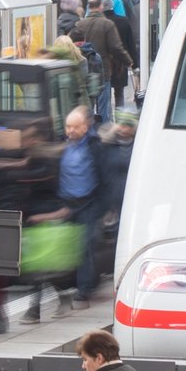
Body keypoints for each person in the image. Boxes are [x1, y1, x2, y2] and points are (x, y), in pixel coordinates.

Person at [59, 108, 105, 310]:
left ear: (85, 127)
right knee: (68, 247)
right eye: (68, 126)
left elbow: (104, 175)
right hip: (67, 205)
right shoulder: (64, 147)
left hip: (88, 202)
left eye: (75, 127)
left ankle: (84, 289)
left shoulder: (95, 147)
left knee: (84, 247)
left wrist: (105, 205)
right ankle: (76, 284)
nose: (71, 131)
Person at [73, 0, 131, 120]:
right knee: (103, 107)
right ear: (100, 7)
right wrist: (128, 61)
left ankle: (88, 129)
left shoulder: (79, 24)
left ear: (88, 7)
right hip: (103, 69)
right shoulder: (107, 24)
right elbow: (116, 47)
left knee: (87, 106)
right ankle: (103, 132)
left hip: (83, 69)